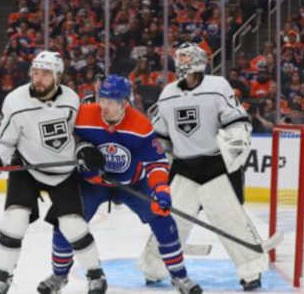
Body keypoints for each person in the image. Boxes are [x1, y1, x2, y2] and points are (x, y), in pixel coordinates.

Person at [36, 74, 203, 294]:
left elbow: (156, 163)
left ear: (125, 102)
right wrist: (79, 150)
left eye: (111, 102)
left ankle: (180, 277)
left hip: (132, 184)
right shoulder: (83, 115)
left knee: (164, 221)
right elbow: (61, 140)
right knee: (64, 222)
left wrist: (161, 189)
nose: (104, 106)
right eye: (101, 99)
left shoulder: (140, 126)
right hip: (93, 184)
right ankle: (59, 276)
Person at [0, 51, 107, 294]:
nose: (38, 78)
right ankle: (2, 278)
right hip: (27, 167)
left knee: (73, 226)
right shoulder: (15, 100)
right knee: (14, 221)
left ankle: (96, 276)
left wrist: (85, 150)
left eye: (45, 73)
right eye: (35, 72)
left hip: (63, 170)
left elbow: (80, 136)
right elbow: (5, 141)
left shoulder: (72, 99)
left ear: (57, 76)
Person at [151, 42, 268, 291]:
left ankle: (251, 271)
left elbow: (236, 119)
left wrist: (236, 138)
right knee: (171, 222)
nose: (181, 64)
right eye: (179, 58)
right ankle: (154, 267)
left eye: (186, 58)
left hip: (215, 165)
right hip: (184, 167)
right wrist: (159, 160)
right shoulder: (168, 93)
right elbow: (160, 136)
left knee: (229, 221)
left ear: (198, 62)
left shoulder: (218, 86)